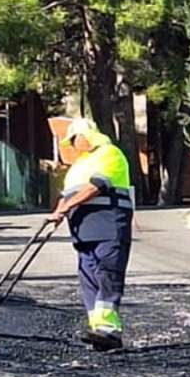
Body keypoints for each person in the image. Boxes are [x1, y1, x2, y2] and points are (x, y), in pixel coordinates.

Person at [47, 119, 133, 350]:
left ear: (87, 135)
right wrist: (57, 212)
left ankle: (109, 330)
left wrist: (64, 208)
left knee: (107, 274)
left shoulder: (109, 154)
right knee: (88, 278)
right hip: (83, 232)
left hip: (108, 226)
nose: (74, 145)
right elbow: (67, 195)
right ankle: (99, 330)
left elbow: (96, 186)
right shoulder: (78, 166)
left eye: (75, 139)